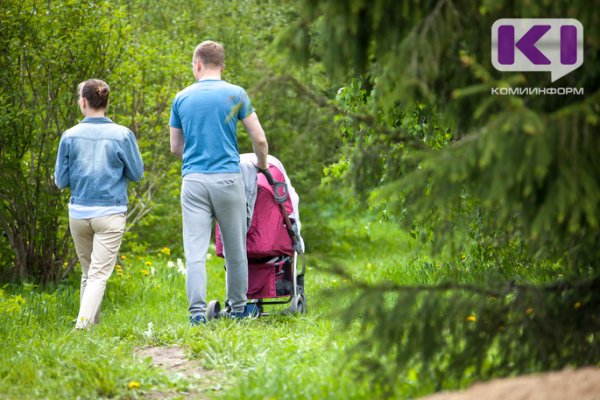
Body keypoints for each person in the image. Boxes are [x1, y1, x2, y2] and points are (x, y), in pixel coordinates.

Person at [169, 40, 269, 324]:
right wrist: (261, 165)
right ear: (222, 66)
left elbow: (176, 147)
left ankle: (197, 314)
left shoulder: (182, 98)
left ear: (197, 64)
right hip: (227, 179)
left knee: (196, 252)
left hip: (194, 181)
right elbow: (259, 139)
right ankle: (238, 309)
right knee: (236, 249)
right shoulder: (235, 94)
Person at [54, 79, 144, 329]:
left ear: (83, 102)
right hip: (110, 213)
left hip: (79, 214)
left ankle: (90, 332)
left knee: (89, 274)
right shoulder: (122, 135)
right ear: (106, 102)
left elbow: (60, 181)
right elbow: (136, 174)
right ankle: (82, 326)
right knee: (97, 275)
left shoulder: (69, 136)